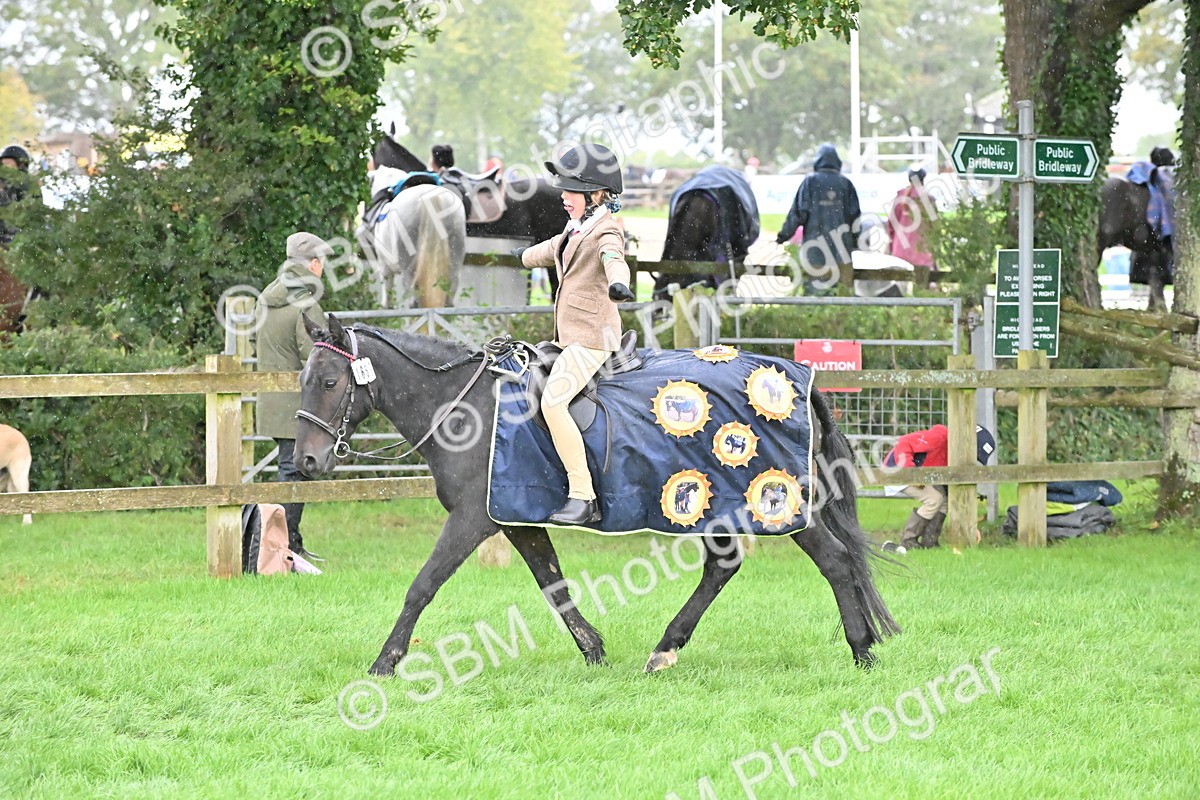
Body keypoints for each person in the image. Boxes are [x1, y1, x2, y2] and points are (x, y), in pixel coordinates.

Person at [514, 143, 634, 525]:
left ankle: (583, 496)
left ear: (596, 195)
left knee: (553, 403)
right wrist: (525, 256)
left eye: (571, 191)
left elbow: (614, 257)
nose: (563, 197)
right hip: (570, 334)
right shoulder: (577, 226)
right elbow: (557, 249)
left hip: (592, 337)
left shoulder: (606, 230)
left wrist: (618, 283)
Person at [254, 232, 331, 560]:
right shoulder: (306, 303)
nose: (324, 270)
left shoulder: (266, 296)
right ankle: (284, 549)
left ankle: (289, 542)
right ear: (313, 264)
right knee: (295, 474)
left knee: (290, 469)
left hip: (271, 402)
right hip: (300, 407)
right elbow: (318, 357)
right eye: (323, 263)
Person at [881, 423, 996, 551]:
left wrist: (971, 527)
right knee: (934, 499)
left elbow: (949, 491)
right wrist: (912, 474)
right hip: (897, 469)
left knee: (944, 501)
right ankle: (908, 542)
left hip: (919, 474)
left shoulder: (954, 452)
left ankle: (930, 542)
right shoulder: (939, 437)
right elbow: (903, 443)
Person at [776, 143, 861, 294]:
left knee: (815, 296)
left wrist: (783, 236)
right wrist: (855, 243)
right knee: (842, 296)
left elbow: (798, 214)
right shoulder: (846, 184)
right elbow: (855, 218)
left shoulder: (810, 182)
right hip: (842, 251)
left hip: (815, 251)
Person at [886, 167, 937, 269]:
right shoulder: (928, 198)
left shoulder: (901, 197)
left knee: (901, 283)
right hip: (921, 251)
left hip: (900, 249)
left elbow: (891, 223)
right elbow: (935, 226)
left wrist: (891, 245)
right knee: (922, 283)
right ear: (923, 179)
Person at [0, 145, 34, 246]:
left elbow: (19, 213)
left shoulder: (28, 186)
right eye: (3, 164)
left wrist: (2, 194)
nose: (5, 168)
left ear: (21, 166)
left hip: (14, 240)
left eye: (9, 164)